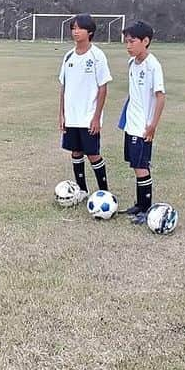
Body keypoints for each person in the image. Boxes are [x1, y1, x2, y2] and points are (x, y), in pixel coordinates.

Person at [59, 14, 111, 197]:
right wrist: (62, 114)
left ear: (90, 31)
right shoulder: (68, 57)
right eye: (73, 28)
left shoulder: (97, 56)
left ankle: (104, 192)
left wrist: (97, 116)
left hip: (88, 116)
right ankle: (82, 190)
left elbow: (103, 88)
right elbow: (63, 87)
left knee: (93, 154)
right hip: (72, 116)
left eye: (79, 28)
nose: (75, 32)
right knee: (75, 152)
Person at [120, 21, 165, 224]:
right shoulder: (132, 63)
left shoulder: (152, 65)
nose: (128, 45)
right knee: (135, 164)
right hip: (132, 124)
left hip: (143, 127)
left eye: (132, 41)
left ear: (145, 41)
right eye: (126, 41)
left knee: (141, 167)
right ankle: (139, 204)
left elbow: (160, 96)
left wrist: (152, 125)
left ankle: (146, 209)